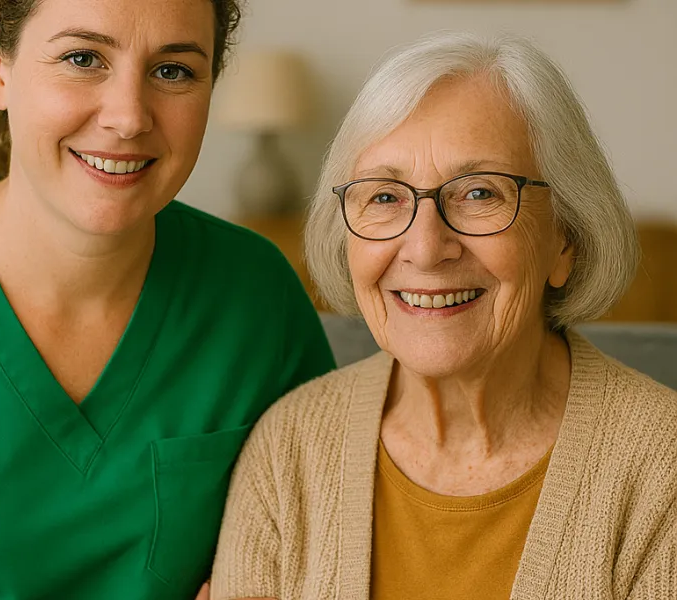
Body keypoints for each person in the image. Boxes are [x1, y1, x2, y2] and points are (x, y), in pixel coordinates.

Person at [0, 0, 336, 598]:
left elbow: (327, 552)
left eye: (173, 71)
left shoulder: (257, 295)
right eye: (82, 58)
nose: (128, 116)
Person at [211, 32, 677, 600]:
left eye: (480, 193)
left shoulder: (663, 468)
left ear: (565, 240)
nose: (426, 248)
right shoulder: (289, 449)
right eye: (384, 196)